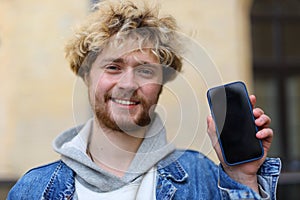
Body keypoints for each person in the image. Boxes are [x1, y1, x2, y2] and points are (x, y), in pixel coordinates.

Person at [7, 0, 281, 199]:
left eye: (145, 71)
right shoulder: (33, 190)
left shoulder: (204, 179)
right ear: (87, 76)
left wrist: (243, 178)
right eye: (113, 67)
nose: (128, 84)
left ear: (162, 83)